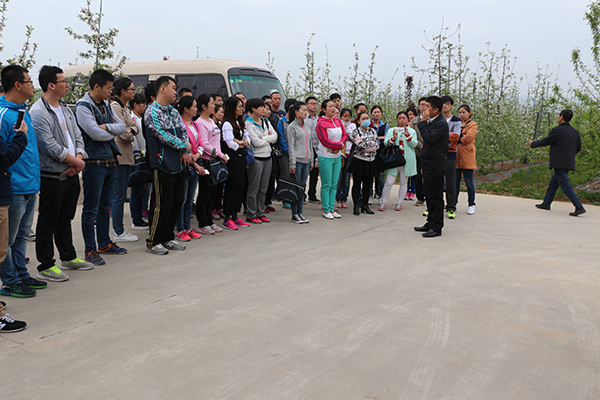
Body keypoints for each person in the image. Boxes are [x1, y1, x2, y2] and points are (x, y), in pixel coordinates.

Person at [31, 65, 94, 283]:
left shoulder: (66, 109)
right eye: (64, 81)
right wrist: (77, 162)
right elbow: (49, 146)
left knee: (65, 218)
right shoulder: (38, 112)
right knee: (48, 221)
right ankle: (46, 265)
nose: (67, 85)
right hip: (52, 175)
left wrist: (78, 161)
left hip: (71, 173)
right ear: (51, 85)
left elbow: (78, 137)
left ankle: (68, 256)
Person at [0, 65, 48, 297]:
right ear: (17, 85)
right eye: (29, 81)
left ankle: (21, 273)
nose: (33, 85)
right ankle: (10, 281)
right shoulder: (3, 115)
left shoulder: (23, 111)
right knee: (6, 240)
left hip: (31, 185)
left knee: (21, 237)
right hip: (14, 187)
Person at [76, 69, 127, 265]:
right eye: (108, 88)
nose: (110, 92)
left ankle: (104, 243)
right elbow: (94, 134)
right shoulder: (83, 106)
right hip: (93, 162)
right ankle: (90, 249)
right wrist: (109, 129)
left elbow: (121, 127)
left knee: (105, 207)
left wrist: (106, 127)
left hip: (110, 160)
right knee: (90, 208)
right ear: (96, 87)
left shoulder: (106, 104)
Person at [144, 76, 192, 255]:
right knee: (161, 204)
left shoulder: (172, 111)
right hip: (162, 164)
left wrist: (186, 150)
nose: (175, 91)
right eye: (173, 87)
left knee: (176, 202)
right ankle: (153, 240)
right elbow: (161, 134)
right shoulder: (152, 111)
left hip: (178, 163)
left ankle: (168, 237)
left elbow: (183, 131)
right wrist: (183, 146)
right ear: (162, 89)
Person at [527, 109, 586, 216]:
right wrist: (568, 155)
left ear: (561, 117)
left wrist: (533, 144)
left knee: (565, 186)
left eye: (559, 115)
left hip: (559, 163)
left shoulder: (557, 130)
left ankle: (579, 207)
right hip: (568, 162)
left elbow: (546, 141)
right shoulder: (575, 132)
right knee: (553, 183)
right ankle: (546, 203)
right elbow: (578, 147)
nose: (558, 117)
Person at [414, 96, 448, 238]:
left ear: (436, 109)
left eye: (427, 106)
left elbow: (428, 138)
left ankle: (436, 227)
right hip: (428, 163)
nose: (424, 109)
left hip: (436, 165)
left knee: (436, 197)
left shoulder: (440, 123)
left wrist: (422, 122)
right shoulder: (432, 121)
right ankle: (430, 222)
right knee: (429, 195)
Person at [110, 77, 139, 243]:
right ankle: (118, 231)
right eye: (131, 89)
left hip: (126, 155)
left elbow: (134, 127)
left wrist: (131, 130)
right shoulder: (115, 108)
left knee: (120, 193)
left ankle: (119, 229)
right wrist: (131, 130)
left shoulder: (124, 107)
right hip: (120, 156)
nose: (134, 92)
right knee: (118, 195)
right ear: (122, 91)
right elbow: (124, 132)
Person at [175, 96, 206, 241]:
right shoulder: (179, 125)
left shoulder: (194, 124)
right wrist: (194, 161)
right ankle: (180, 228)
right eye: (194, 106)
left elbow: (200, 142)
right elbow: (183, 146)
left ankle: (187, 227)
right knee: (182, 198)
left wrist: (197, 155)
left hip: (195, 161)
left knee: (189, 199)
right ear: (186, 109)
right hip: (186, 164)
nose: (196, 109)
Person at [195, 94, 227, 234]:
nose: (214, 106)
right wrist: (219, 154)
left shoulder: (210, 121)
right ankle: (203, 222)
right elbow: (205, 144)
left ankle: (210, 221)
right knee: (205, 193)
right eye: (212, 103)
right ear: (203, 106)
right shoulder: (200, 123)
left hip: (215, 160)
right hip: (207, 161)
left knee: (212, 193)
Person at [245, 98, 277, 224]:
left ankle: (260, 212)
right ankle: (251, 213)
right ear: (253, 109)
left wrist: (263, 138)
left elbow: (275, 136)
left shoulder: (266, 121)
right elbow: (256, 142)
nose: (264, 110)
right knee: (254, 188)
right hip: (256, 158)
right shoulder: (248, 124)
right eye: (261, 107)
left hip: (267, 157)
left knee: (263, 188)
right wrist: (266, 138)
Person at [221, 96, 251, 230]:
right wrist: (240, 143)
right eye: (239, 106)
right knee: (232, 188)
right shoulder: (227, 124)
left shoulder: (239, 123)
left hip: (241, 159)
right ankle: (227, 217)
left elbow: (247, 140)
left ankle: (235, 216)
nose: (242, 109)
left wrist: (241, 142)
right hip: (232, 160)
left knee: (240, 187)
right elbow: (230, 144)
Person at [380, 111, 418, 211]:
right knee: (389, 182)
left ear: (407, 120)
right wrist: (393, 138)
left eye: (404, 118)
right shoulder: (392, 130)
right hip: (394, 160)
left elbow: (414, 144)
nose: (401, 120)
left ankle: (399, 203)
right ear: (397, 119)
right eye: (400, 118)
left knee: (403, 182)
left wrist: (408, 135)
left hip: (406, 160)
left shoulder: (412, 131)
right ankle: (383, 202)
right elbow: (386, 143)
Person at [316, 99, 347, 219]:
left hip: (337, 156)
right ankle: (326, 209)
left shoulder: (338, 120)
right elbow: (324, 140)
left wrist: (340, 145)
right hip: (326, 156)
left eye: (334, 106)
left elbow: (344, 135)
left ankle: (332, 208)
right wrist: (338, 146)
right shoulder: (321, 123)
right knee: (327, 184)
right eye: (330, 107)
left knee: (334, 184)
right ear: (323, 109)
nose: (333, 109)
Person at [348, 111, 379, 215]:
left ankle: (365, 206)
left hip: (371, 160)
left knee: (367, 184)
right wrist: (370, 145)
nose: (366, 120)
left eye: (367, 118)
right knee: (357, 184)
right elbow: (360, 143)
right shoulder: (355, 132)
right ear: (359, 121)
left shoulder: (373, 131)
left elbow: (377, 144)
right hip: (359, 161)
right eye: (363, 118)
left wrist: (368, 149)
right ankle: (356, 205)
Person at [287, 101, 312, 223]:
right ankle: (294, 213)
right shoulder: (292, 127)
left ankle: (300, 212)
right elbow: (291, 147)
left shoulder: (306, 126)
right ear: (296, 112)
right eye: (303, 110)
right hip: (297, 161)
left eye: (306, 110)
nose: (305, 112)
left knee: (302, 188)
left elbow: (310, 144)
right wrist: (292, 163)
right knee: (295, 188)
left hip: (306, 161)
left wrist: (311, 160)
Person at [128, 93, 150, 229]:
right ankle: (135, 219)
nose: (145, 106)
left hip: (144, 154)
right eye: (143, 104)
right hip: (137, 156)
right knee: (136, 190)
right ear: (135, 105)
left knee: (141, 189)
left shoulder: (140, 118)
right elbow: (136, 140)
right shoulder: (132, 119)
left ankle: (139, 216)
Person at [440, 95, 461, 219]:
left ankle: (451, 207)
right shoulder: (437, 119)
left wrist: (441, 135)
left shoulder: (456, 120)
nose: (444, 105)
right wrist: (447, 134)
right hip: (438, 153)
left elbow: (456, 137)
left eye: (447, 103)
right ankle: (434, 206)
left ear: (451, 105)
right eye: (442, 103)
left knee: (450, 181)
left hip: (451, 153)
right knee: (436, 180)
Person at [455, 105, 478, 215]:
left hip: (467, 156)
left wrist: (458, 138)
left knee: (469, 182)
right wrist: (459, 137)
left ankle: (471, 204)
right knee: (455, 182)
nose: (461, 114)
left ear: (469, 113)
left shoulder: (473, 124)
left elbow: (469, 137)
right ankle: (453, 203)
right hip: (456, 156)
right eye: (460, 112)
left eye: (463, 112)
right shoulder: (457, 124)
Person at [336, 108, 355, 209]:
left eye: (348, 116)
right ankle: (338, 198)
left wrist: (347, 131)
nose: (347, 118)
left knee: (347, 178)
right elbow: (340, 136)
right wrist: (345, 131)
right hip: (340, 154)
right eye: (344, 116)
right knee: (339, 178)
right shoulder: (338, 124)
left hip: (349, 154)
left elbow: (353, 137)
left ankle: (344, 199)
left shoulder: (353, 125)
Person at [370, 105, 389, 202]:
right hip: (369, 151)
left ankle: (380, 195)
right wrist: (380, 138)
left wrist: (376, 138)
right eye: (374, 112)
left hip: (381, 152)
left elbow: (386, 138)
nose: (377, 114)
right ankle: (369, 195)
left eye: (378, 112)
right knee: (369, 174)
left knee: (381, 175)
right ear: (371, 114)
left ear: (381, 114)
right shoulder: (369, 125)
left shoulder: (385, 125)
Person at [409, 97, 427, 206]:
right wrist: (420, 145)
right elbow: (412, 135)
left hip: (429, 152)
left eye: (426, 104)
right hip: (417, 151)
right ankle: (420, 197)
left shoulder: (432, 120)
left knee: (428, 176)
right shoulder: (414, 121)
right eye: (422, 104)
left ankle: (429, 195)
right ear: (418, 107)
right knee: (417, 176)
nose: (424, 107)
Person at [211, 103, 225, 221]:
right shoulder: (210, 124)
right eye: (220, 112)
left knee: (220, 184)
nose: (222, 114)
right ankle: (212, 208)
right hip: (212, 157)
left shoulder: (219, 125)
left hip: (220, 157)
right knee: (213, 186)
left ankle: (218, 206)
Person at [305, 96, 320, 203]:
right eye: (312, 103)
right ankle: (302, 195)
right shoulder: (303, 118)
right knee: (304, 172)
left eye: (316, 103)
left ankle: (312, 195)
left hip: (317, 149)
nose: (314, 105)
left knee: (315, 174)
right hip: (305, 148)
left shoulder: (319, 119)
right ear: (306, 105)